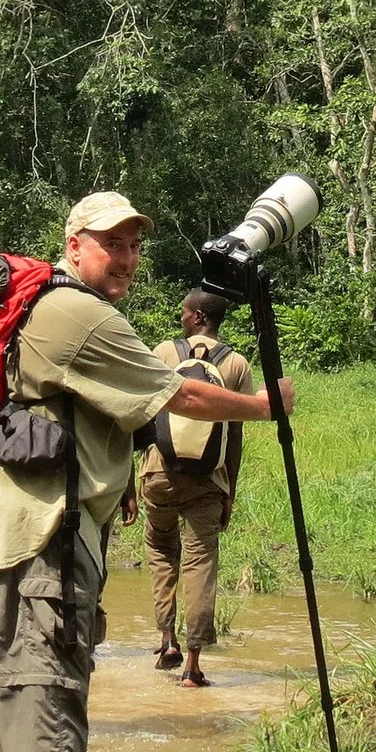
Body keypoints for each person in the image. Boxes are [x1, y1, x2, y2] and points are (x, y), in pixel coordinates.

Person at [0, 192, 293, 752]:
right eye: (112, 243)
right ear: (74, 244)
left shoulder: (36, 304)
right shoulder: (79, 313)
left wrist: (120, 473)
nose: (128, 256)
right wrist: (264, 406)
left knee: (0, 708)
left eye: (135, 243)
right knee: (47, 700)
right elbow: (181, 398)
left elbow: (85, 409)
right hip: (43, 538)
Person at [139, 288, 257, 688]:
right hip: (209, 481)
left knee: (160, 550)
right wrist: (231, 490)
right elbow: (236, 432)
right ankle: (192, 664)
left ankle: (166, 637)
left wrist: (128, 478)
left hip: (158, 474)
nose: (181, 318)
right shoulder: (237, 364)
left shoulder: (163, 353)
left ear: (196, 316)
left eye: (184, 313)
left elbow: (141, 415)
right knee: (201, 562)